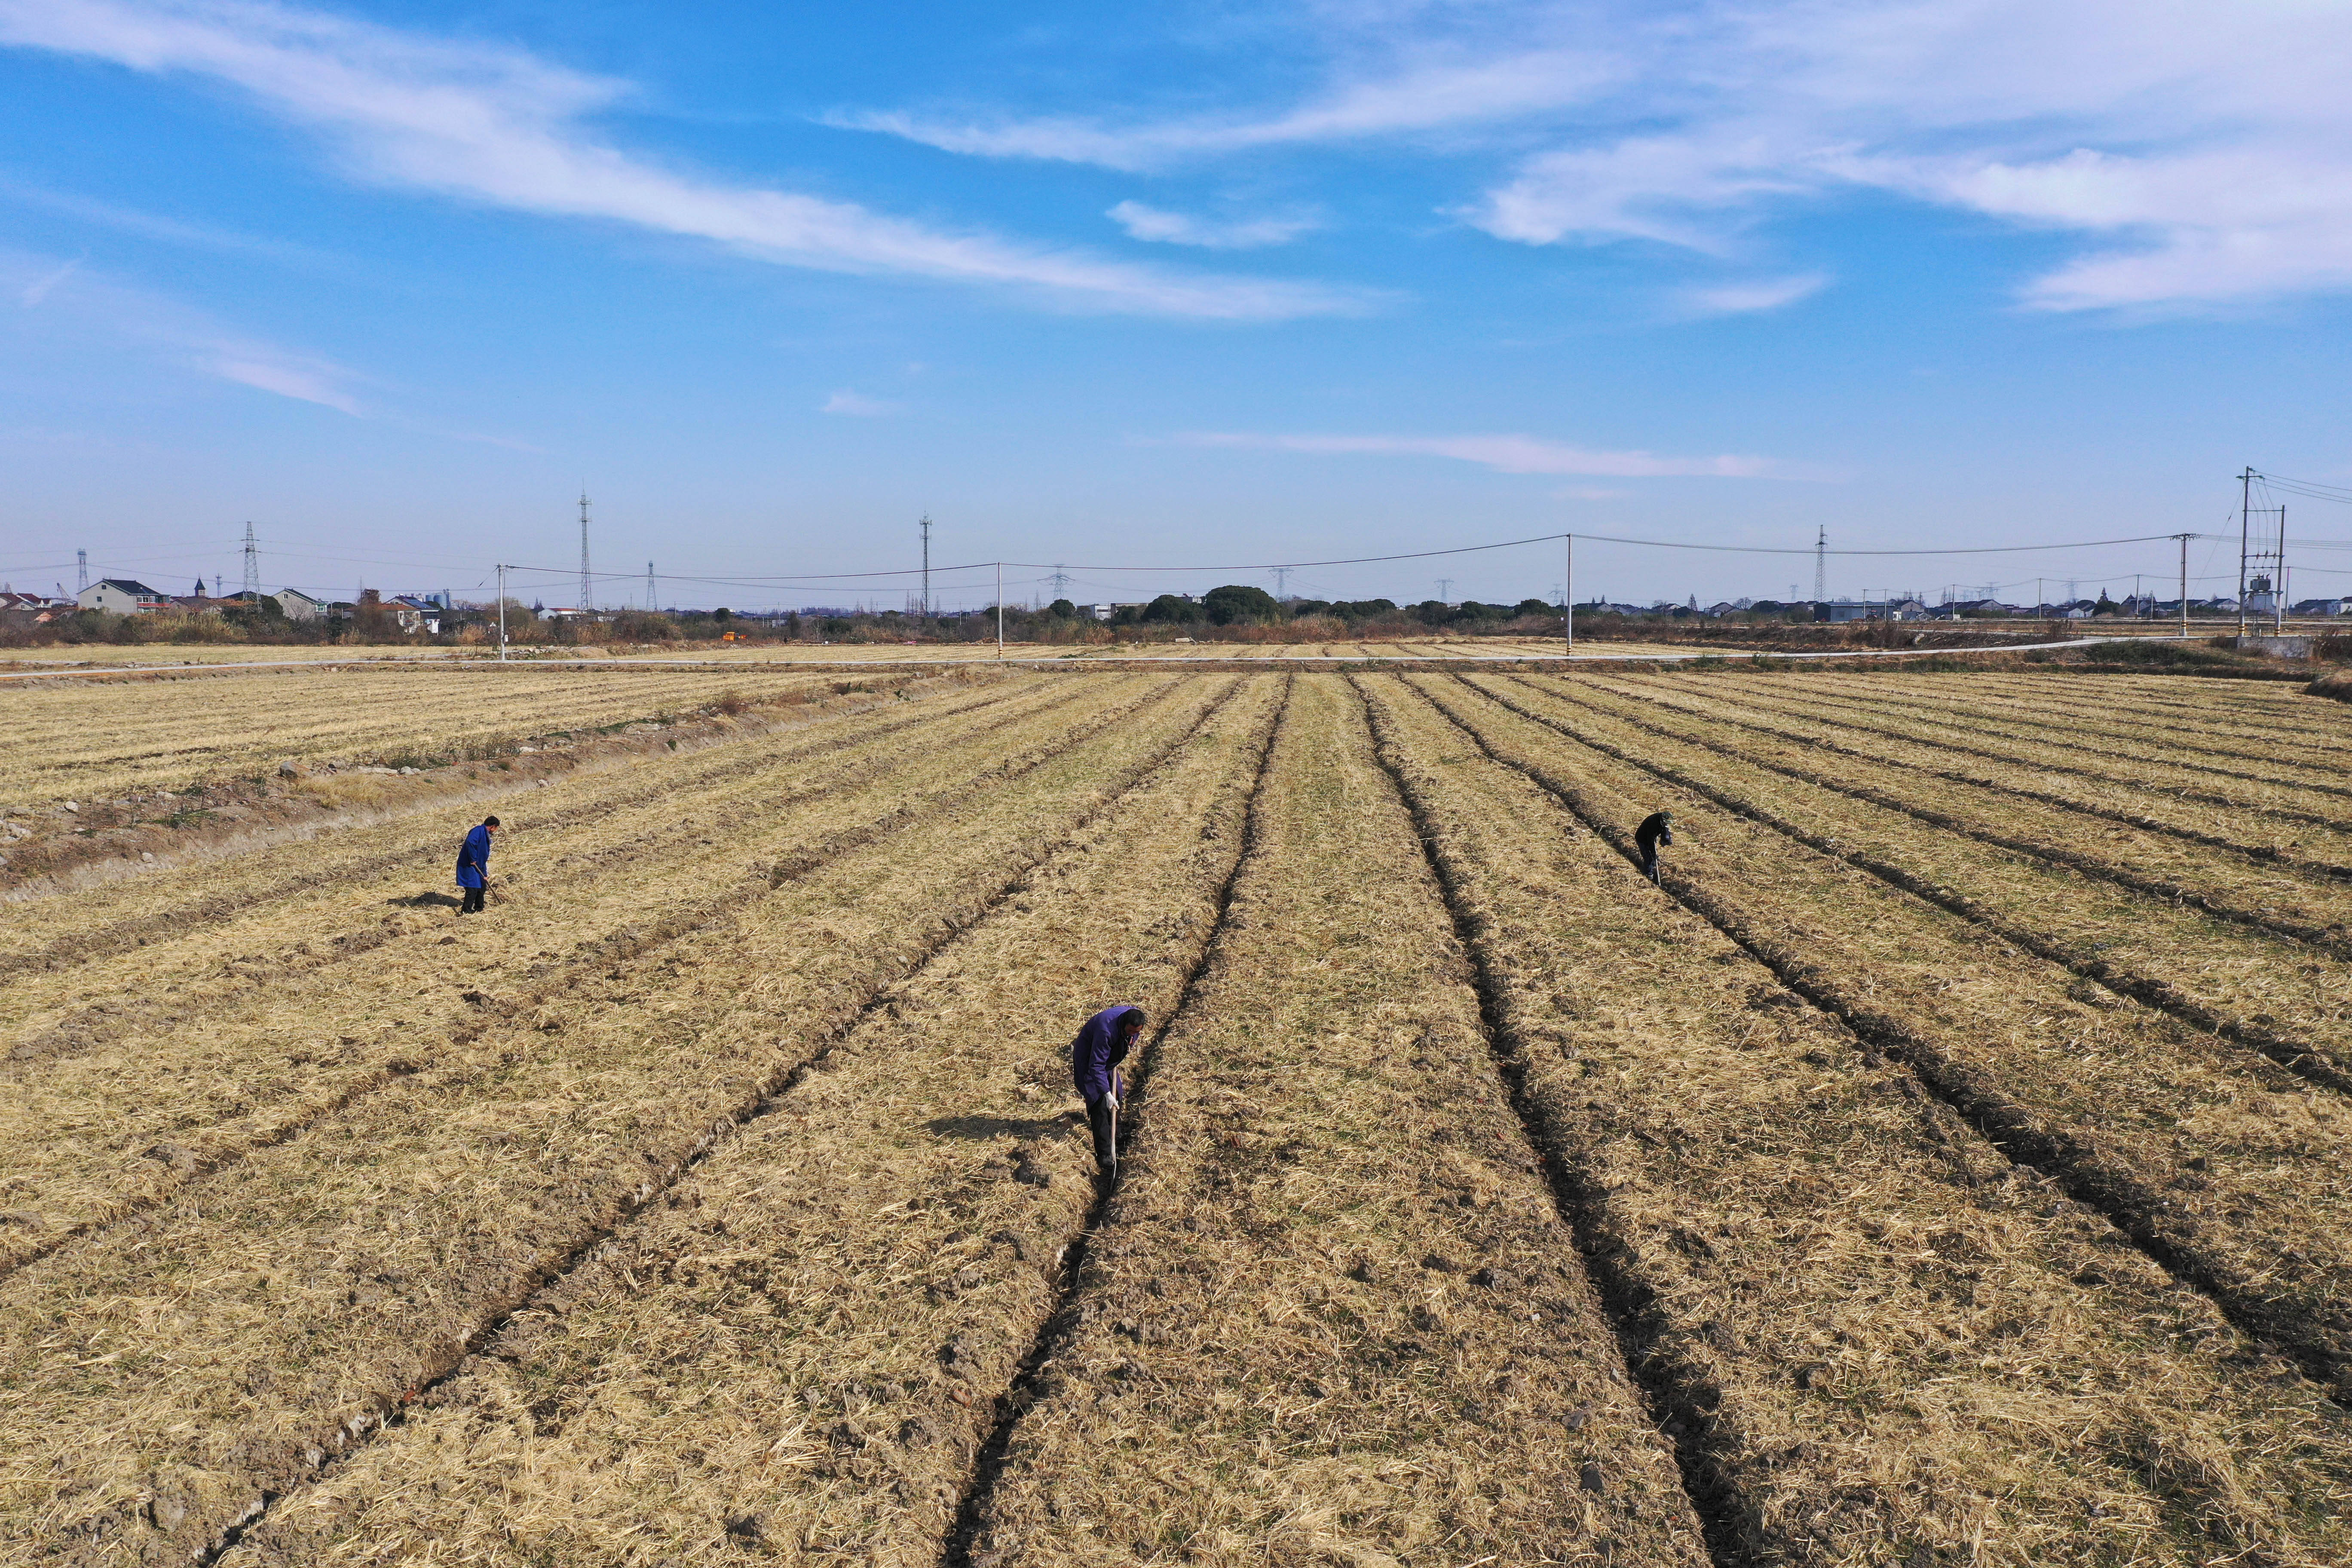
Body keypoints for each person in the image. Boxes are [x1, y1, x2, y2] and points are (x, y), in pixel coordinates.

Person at [1070, 1004, 1145, 1179]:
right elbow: (1096, 1066)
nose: (1133, 1034)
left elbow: (1129, 1039)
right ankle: (1105, 1154)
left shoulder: (1133, 1022)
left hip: (1108, 1059)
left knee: (1117, 1096)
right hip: (1090, 1060)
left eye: (1136, 1032)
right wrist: (1105, 1092)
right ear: (1123, 1025)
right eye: (1130, 1031)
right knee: (1099, 1104)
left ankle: (1115, 1135)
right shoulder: (1106, 1031)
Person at [455, 815, 499, 913]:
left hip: (479, 865)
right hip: (469, 865)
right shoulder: (478, 830)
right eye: (496, 828)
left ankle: (479, 908)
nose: (495, 831)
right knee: (473, 888)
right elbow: (470, 842)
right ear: (493, 826)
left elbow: (483, 857)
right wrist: (473, 858)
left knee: (482, 886)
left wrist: (485, 874)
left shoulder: (485, 834)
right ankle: (466, 911)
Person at [1635, 810, 1673, 885]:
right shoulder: (1653, 825)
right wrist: (1654, 853)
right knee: (1649, 857)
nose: (1667, 824)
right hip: (1642, 839)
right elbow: (1651, 841)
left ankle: (1652, 867)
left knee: (1653, 858)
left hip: (1650, 837)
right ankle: (1648, 874)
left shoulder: (1662, 820)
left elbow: (1665, 829)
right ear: (1662, 820)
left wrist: (1665, 839)